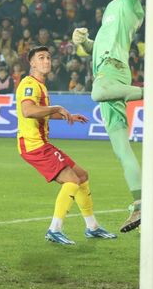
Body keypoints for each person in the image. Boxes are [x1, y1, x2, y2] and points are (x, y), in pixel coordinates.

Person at [72, 0, 144, 233]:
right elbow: (94, 49)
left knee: (97, 92)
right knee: (120, 148)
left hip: (112, 72)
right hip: (106, 70)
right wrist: (81, 42)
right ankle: (140, 203)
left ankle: (151, 93)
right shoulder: (109, 19)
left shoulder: (129, 5)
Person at [16, 46, 116, 245]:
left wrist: (66, 115)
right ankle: (54, 229)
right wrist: (58, 107)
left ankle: (92, 227)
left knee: (82, 176)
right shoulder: (29, 84)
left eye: (48, 57)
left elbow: (41, 113)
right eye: (41, 58)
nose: (46, 61)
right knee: (71, 181)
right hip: (33, 145)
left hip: (41, 143)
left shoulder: (40, 85)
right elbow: (28, 111)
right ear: (32, 63)